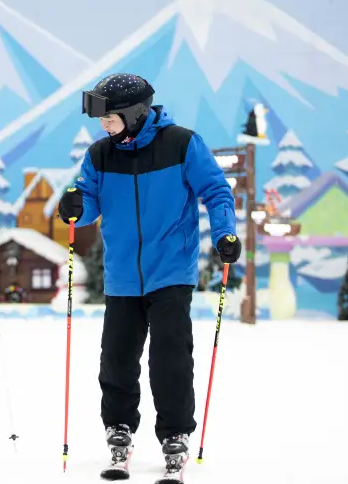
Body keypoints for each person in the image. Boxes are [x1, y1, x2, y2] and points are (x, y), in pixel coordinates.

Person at [57, 73, 241, 481]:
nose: (104, 126)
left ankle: (175, 434)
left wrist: (226, 231)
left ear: (136, 113)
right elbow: (86, 201)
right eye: (102, 120)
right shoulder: (101, 155)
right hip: (122, 275)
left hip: (171, 271)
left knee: (169, 359)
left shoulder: (181, 144)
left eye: (111, 118)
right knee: (117, 360)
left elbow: (216, 191)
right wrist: (74, 207)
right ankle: (119, 429)